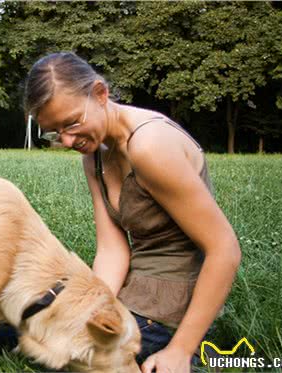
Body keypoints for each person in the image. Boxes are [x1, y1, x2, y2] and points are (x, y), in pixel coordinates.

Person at [23, 52, 241, 373]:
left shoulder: (150, 146)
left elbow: (225, 250)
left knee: (65, 355)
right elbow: (112, 250)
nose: (67, 140)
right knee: (37, 325)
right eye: (55, 133)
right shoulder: (94, 155)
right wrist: (91, 309)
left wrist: (180, 351)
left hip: (175, 308)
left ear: (100, 94)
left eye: (71, 123)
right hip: (134, 293)